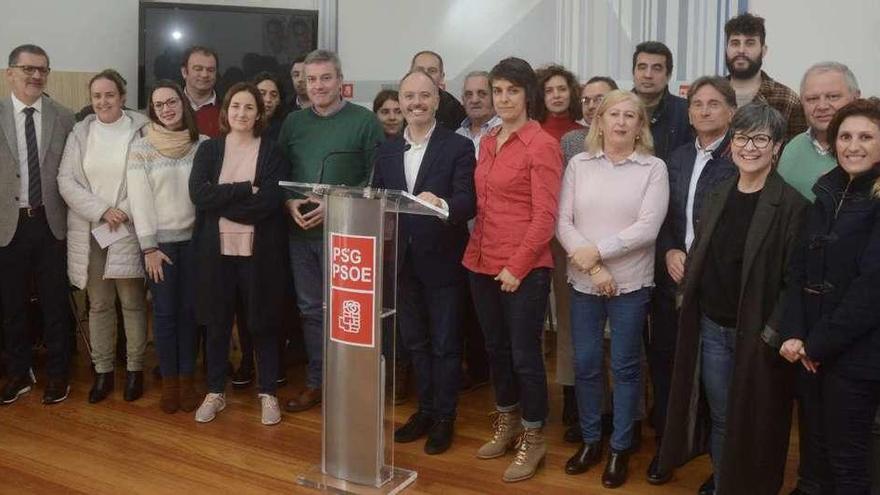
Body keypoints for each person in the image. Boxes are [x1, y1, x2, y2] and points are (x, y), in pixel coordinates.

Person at [659, 102, 807, 495]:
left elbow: (796, 283)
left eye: (761, 138)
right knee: (723, 418)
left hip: (758, 335)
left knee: (759, 425)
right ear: (731, 144)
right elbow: (703, 257)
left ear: (777, 146)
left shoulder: (792, 206)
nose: (750, 146)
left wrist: (771, 335)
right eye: (742, 137)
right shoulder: (719, 192)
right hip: (711, 328)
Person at [557, 90, 668, 488]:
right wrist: (594, 267)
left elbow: (647, 228)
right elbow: (564, 223)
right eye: (613, 114)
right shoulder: (579, 164)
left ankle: (620, 447)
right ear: (599, 121)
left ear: (641, 126)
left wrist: (597, 256)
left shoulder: (653, 168)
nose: (620, 122)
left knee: (624, 367)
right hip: (585, 283)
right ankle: (591, 440)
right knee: (586, 363)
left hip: (631, 285)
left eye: (629, 116)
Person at [463, 57, 562, 483]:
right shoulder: (488, 140)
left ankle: (534, 436)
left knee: (525, 357)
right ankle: (508, 421)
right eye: (497, 91)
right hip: (480, 260)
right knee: (496, 350)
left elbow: (546, 217)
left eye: (511, 91)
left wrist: (516, 267)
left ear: (528, 95)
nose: (503, 99)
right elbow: (482, 203)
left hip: (523, 267)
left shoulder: (541, 145)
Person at [373, 68, 476, 455]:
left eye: (424, 96)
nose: (416, 103)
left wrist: (444, 203)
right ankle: (426, 409)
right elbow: (377, 199)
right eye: (408, 97)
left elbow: (469, 199)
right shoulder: (386, 149)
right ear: (399, 102)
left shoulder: (457, 146)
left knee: (446, 345)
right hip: (400, 262)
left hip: (444, 261)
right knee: (415, 343)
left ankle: (445, 416)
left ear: (436, 100)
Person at [781, 98, 880, 495]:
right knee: (815, 451)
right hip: (812, 349)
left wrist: (815, 345)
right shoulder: (828, 190)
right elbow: (798, 270)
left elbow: (870, 290)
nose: (853, 145)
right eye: (845, 136)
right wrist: (793, 332)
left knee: (848, 462)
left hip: (858, 356)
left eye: (866, 137)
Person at [279, 49, 384, 413]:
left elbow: (375, 178)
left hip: (347, 236)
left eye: (326, 78)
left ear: (340, 81)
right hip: (301, 234)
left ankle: (353, 386)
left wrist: (335, 203)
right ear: (304, 83)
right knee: (311, 311)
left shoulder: (365, 121)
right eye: (312, 80)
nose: (319, 86)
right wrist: (288, 202)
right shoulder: (293, 123)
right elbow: (279, 172)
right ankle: (317, 382)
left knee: (349, 311)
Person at [648, 76, 738, 485]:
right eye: (697, 104)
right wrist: (668, 249)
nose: (704, 110)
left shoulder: (741, 158)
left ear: (731, 112)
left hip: (717, 287)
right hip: (672, 280)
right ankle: (669, 446)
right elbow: (664, 217)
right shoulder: (677, 157)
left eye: (714, 104)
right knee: (668, 365)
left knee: (716, 380)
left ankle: (716, 458)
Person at [189, 82, 287, 426]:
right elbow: (199, 196)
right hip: (215, 253)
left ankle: (268, 393)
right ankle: (215, 391)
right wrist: (245, 189)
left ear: (259, 113)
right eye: (235, 107)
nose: (241, 113)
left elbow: (269, 202)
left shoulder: (272, 152)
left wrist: (224, 203)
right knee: (217, 324)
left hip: (259, 254)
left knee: (262, 323)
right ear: (225, 113)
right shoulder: (209, 151)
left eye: (249, 107)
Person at [57, 69, 149, 404]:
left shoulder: (142, 129)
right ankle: (103, 372)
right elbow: (66, 181)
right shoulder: (80, 132)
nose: (103, 101)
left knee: (133, 303)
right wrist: (101, 210)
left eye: (109, 95)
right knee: (98, 305)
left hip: (128, 229)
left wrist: (121, 210)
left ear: (122, 97)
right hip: (92, 229)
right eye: (97, 96)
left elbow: (148, 176)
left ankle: (135, 370)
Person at [0, 44, 76, 405]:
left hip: (51, 223)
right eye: (28, 69)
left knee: (54, 302)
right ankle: (19, 372)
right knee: (11, 304)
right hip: (7, 225)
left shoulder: (65, 117)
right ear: (10, 72)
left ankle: (59, 373)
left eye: (42, 70)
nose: (36, 76)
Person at [127, 80, 206, 414]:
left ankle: (187, 380)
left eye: (171, 102)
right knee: (164, 314)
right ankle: (170, 381)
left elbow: (208, 197)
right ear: (152, 111)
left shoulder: (203, 144)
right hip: (160, 248)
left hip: (196, 244)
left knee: (190, 313)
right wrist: (148, 248)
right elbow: (139, 201)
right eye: (159, 105)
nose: (167, 109)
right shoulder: (141, 149)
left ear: (183, 103)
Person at [557, 76, 618, 441]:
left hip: (624, 263)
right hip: (579, 257)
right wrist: (587, 258)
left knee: (625, 355)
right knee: (586, 350)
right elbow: (565, 210)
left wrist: (602, 256)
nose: (593, 105)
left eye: (601, 99)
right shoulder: (572, 145)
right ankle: (590, 420)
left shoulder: (643, 153)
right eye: (587, 99)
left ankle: (625, 421)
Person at [778, 62, 861, 202]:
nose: (822, 106)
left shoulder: (871, 150)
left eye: (833, 97)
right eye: (812, 99)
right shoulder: (792, 148)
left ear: (856, 97)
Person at [724, 12, 807, 142]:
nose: (741, 50)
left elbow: (795, 155)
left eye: (750, 43)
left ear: (764, 50)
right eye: (735, 43)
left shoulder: (788, 99)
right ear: (726, 48)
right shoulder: (710, 95)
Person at [631, 41, 692, 161]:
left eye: (656, 69)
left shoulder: (685, 111)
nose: (648, 75)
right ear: (633, 72)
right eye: (642, 67)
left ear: (668, 75)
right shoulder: (617, 109)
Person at [561, 76, 618, 164]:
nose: (591, 106)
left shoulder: (628, 139)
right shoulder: (571, 142)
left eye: (599, 99)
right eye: (586, 100)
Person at [410, 50, 466, 131]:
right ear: (410, 74)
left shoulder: (454, 109)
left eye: (432, 71)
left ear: (442, 77)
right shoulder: (397, 103)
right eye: (420, 70)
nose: (425, 75)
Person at [456, 70, 501, 155]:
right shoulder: (457, 135)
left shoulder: (506, 132)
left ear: (494, 97)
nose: (475, 100)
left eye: (482, 94)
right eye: (469, 94)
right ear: (463, 100)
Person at [536, 64, 583, 142]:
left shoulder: (585, 134)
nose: (556, 95)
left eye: (562, 89)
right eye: (549, 91)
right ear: (541, 96)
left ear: (572, 93)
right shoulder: (531, 133)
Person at [181, 46, 220, 138]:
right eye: (198, 69)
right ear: (184, 72)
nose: (204, 75)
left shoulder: (229, 109)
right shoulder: (169, 107)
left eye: (210, 70)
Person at [252, 72, 289, 142]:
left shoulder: (286, 130)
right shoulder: (243, 126)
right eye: (262, 94)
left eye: (274, 95)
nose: (268, 99)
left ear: (279, 101)